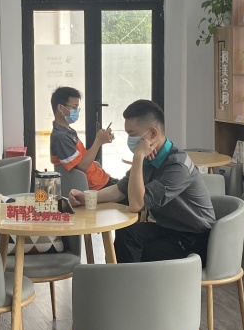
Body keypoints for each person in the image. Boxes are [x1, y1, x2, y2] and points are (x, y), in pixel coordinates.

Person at [69, 99, 215, 263]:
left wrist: (138, 156)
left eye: (132, 134)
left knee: (142, 252)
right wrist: (87, 197)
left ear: (152, 133)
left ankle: (128, 278)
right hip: (168, 228)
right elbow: (120, 189)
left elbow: (136, 205)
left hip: (195, 238)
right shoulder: (149, 158)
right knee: (127, 233)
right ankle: (121, 278)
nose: (129, 139)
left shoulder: (177, 165)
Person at [49, 86, 116, 191]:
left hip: (102, 180)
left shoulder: (68, 132)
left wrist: (102, 140)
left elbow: (82, 159)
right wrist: (98, 141)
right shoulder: (60, 137)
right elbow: (82, 167)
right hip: (97, 188)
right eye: (74, 107)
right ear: (61, 108)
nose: (77, 111)